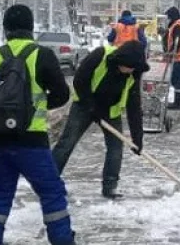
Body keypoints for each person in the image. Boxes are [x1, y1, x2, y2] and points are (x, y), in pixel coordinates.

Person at [0, 4, 89, 245]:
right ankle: (61, 243)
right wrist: (38, 105)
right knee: (51, 190)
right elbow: (61, 94)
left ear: (6, 30)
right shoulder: (42, 55)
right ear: (30, 28)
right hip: (31, 140)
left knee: (0, 189)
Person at [53, 40, 149, 199]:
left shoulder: (133, 74)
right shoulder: (100, 55)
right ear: (121, 60)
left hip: (110, 112)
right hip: (84, 105)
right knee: (67, 142)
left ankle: (110, 186)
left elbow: (134, 106)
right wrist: (90, 106)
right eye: (128, 66)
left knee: (116, 147)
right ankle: (49, 180)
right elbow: (79, 80)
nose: (130, 70)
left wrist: (137, 138)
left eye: (133, 67)